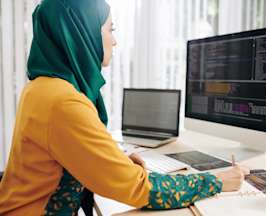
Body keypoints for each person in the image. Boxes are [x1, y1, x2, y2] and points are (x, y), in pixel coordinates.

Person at [0, 0, 249, 215]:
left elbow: (65, 158)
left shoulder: (42, 87)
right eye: (110, 29)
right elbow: (139, 190)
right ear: (80, 32)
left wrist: (111, 163)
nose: (115, 41)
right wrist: (215, 181)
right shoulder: (62, 101)